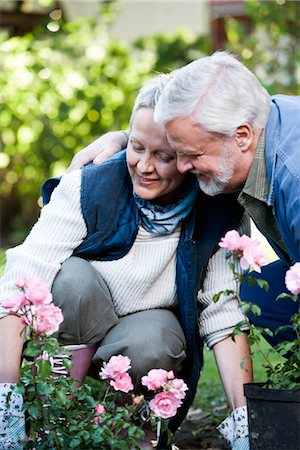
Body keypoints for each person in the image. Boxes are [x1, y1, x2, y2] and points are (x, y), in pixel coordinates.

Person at [0, 74, 250, 450]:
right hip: (75, 323)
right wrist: (6, 399)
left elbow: (222, 313)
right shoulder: (90, 185)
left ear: (187, 158)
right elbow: (23, 278)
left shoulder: (216, 211)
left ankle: (122, 431)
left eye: (163, 156)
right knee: (70, 278)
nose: (144, 167)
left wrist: (244, 420)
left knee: (156, 339)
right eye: (135, 147)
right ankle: (54, 412)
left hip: (139, 341)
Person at [68, 50, 299, 449]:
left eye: (189, 155)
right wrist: (128, 143)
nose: (183, 168)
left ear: (241, 136)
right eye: (176, 152)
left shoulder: (293, 180)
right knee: (263, 288)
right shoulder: (269, 122)